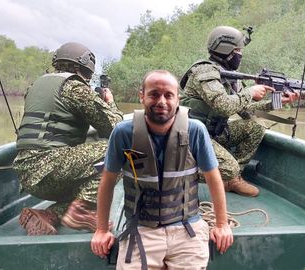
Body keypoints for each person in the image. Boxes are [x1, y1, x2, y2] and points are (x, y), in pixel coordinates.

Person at [91, 70, 233, 269]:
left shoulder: (195, 130)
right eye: (154, 94)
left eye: (168, 95)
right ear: (142, 96)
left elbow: (213, 178)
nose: (161, 101)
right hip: (141, 229)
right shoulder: (123, 132)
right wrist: (101, 229)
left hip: (187, 228)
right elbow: (107, 181)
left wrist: (221, 224)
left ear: (178, 99)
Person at [13, 42, 123, 236]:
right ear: (85, 68)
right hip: (50, 168)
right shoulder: (74, 88)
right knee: (122, 152)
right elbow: (117, 128)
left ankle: (49, 214)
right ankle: (81, 210)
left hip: (28, 174)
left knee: (92, 168)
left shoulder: (35, 86)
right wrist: (109, 102)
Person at [180, 26, 298, 197]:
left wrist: (276, 102)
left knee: (256, 127)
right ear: (225, 49)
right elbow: (224, 106)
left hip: (214, 133)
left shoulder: (230, 76)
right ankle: (177, 172)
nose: (240, 55)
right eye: (238, 50)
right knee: (229, 168)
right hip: (192, 135)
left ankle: (233, 179)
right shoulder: (205, 71)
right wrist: (250, 92)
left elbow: (246, 111)